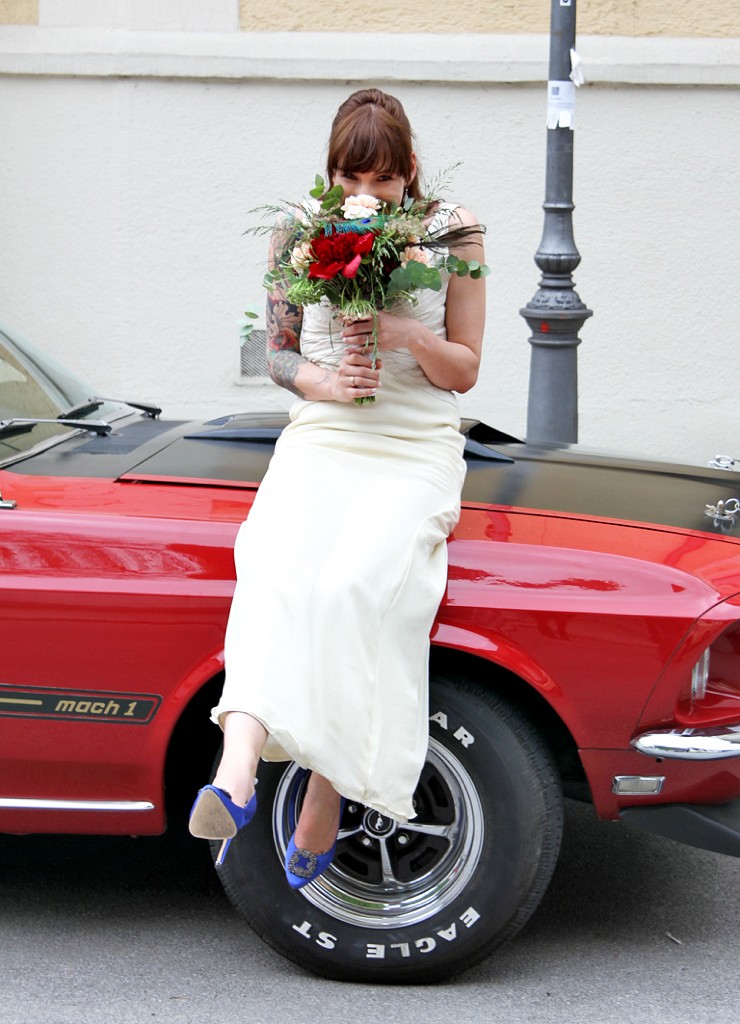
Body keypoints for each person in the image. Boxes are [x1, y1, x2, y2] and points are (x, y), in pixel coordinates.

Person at [189, 88, 486, 887]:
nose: (365, 195)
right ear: (331, 173)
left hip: (413, 442)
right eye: (351, 179)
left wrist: (408, 334)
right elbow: (276, 354)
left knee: (355, 584)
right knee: (272, 565)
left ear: (410, 169)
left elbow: (466, 369)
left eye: (382, 180)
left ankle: (329, 781)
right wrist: (327, 382)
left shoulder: (454, 229)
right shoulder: (298, 229)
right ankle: (236, 772)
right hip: (326, 434)